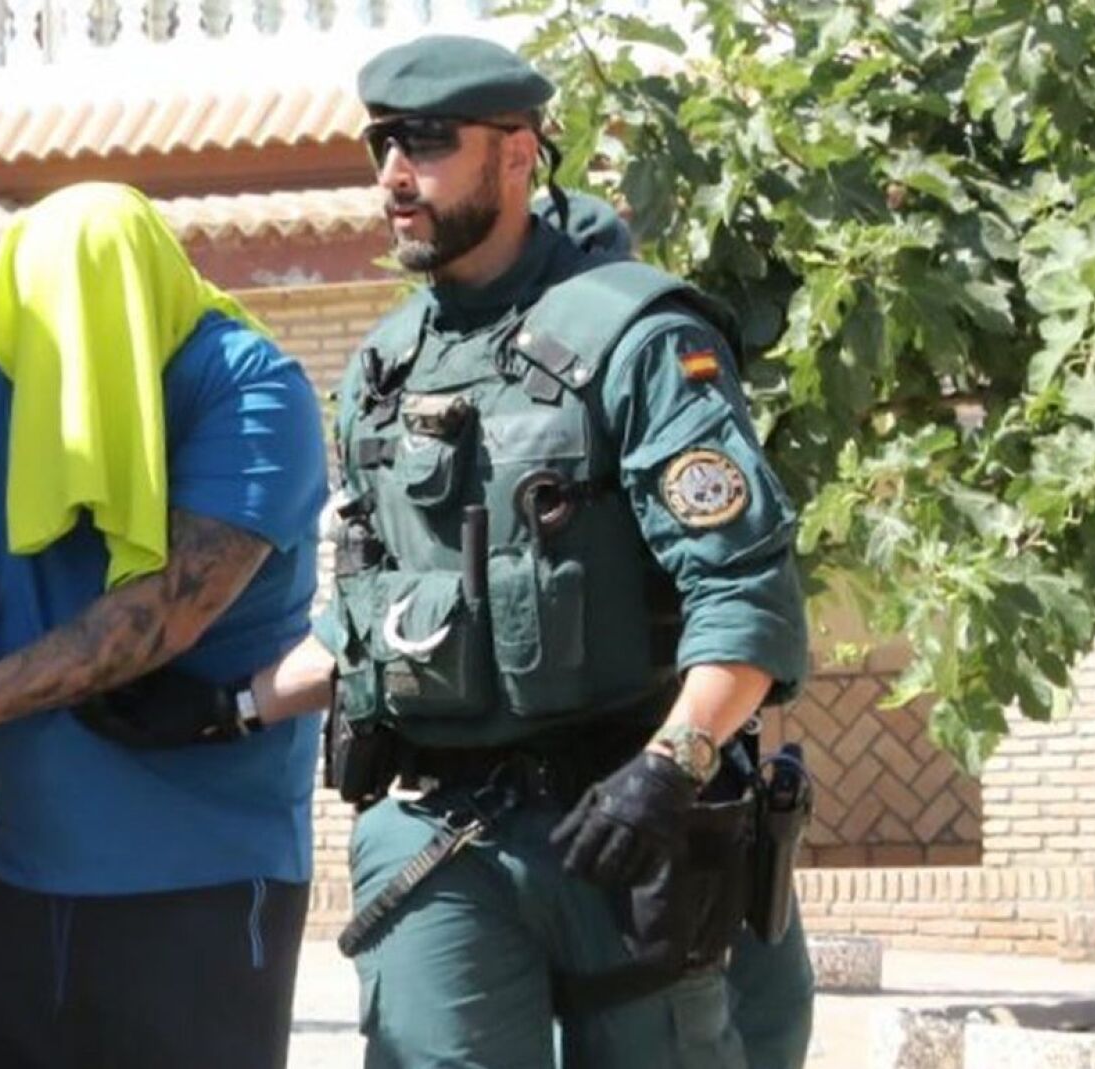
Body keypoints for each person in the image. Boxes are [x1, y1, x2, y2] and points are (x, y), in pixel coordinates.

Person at [241, 35, 812, 1068]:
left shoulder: (641, 339)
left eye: (426, 142)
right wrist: (224, 705)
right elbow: (375, 616)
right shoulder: (383, 368)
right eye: (381, 144)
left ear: (516, 152)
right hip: (440, 829)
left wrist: (669, 770)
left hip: (629, 824)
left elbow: (745, 593)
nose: (393, 174)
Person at [0, 182, 329, 1069]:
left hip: (205, 878)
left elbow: (157, 616)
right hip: (21, 872)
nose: (70, 346)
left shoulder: (252, 388)